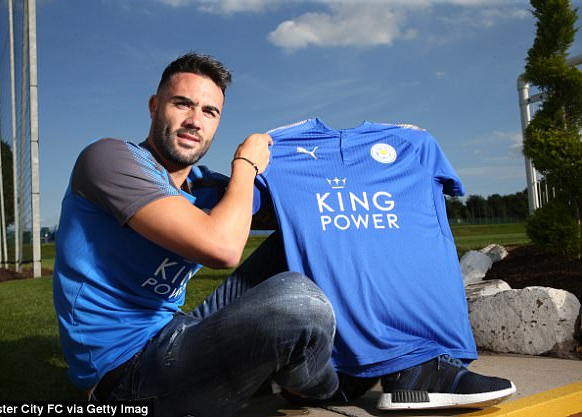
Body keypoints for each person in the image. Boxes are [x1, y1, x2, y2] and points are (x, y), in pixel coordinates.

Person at [52, 52, 339, 417]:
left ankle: (325, 358)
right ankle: (326, 386)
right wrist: (246, 164)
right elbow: (222, 248)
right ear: (155, 106)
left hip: (177, 330)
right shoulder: (109, 159)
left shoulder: (204, 185)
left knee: (297, 243)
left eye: (209, 111)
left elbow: (306, 213)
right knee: (301, 303)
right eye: (182, 104)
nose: (194, 121)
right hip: (127, 374)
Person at [255, 118, 516, 410]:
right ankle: (409, 369)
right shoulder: (279, 148)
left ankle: (359, 371)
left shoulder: (413, 144)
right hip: (327, 344)